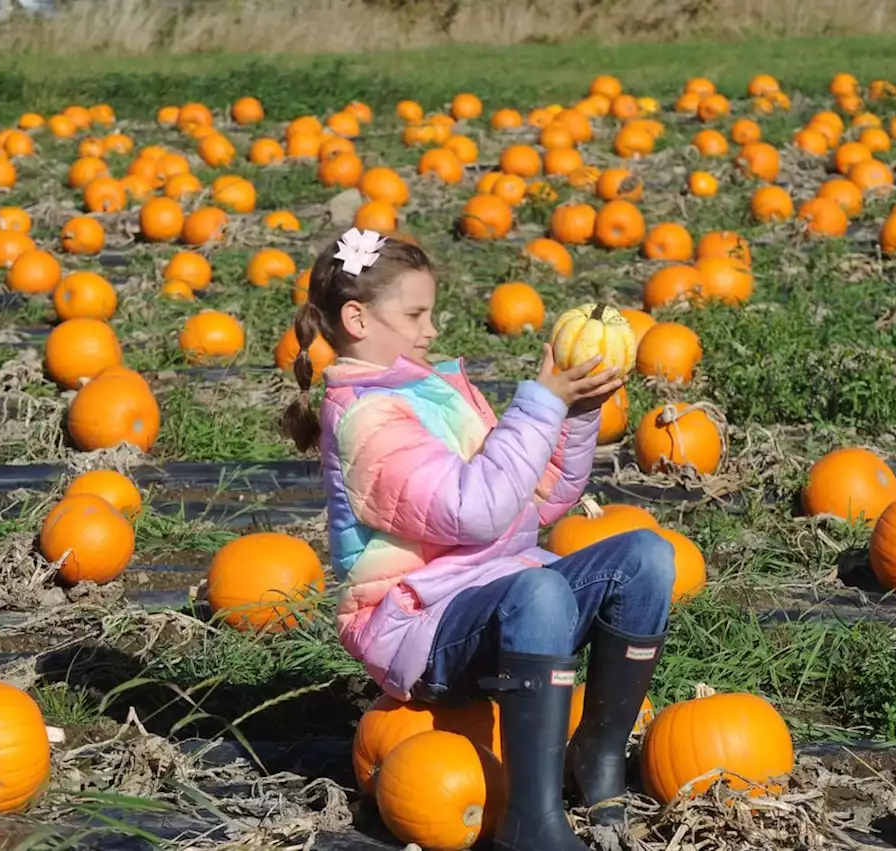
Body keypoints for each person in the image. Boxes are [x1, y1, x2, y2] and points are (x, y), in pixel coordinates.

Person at [281, 229, 675, 851]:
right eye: (415, 314)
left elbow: (537, 499)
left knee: (647, 557)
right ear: (356, 318)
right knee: (541, 592)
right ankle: (531, 818)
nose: (430, 329)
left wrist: (573, 415)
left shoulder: (432, 390)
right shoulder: (366, 421)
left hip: (500, 594)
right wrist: (541, 403)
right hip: (423, 627)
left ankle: (595, 757)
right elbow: (476, 512)